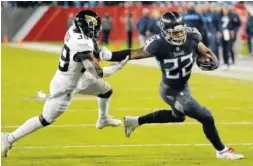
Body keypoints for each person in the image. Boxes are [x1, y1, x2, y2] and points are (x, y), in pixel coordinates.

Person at [100, 11, 244, 160]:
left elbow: (204, 50)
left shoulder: (193, 36)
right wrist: (109, 56)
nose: (180, 35)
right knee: (206, 116)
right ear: (165, 32)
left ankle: (135, 121)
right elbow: (134, 53)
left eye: (182, 31)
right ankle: (222, 151)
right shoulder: (158, 44)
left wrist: (211, 59)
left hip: (183, 87)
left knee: (178, 117)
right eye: (175, 33)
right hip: (170, 90)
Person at [1, 10, 129, 158]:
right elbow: (98, 73)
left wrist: (99, 53)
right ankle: (8, 138)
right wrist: (118, 66)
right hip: (65, 87)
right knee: (45, 119)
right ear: (82, 26)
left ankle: (103, 119)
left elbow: (88, 55)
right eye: (91, 27)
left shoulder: (74, 31)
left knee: (106, 91)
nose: (95, 31)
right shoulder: (81, 43)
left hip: (78, 77)